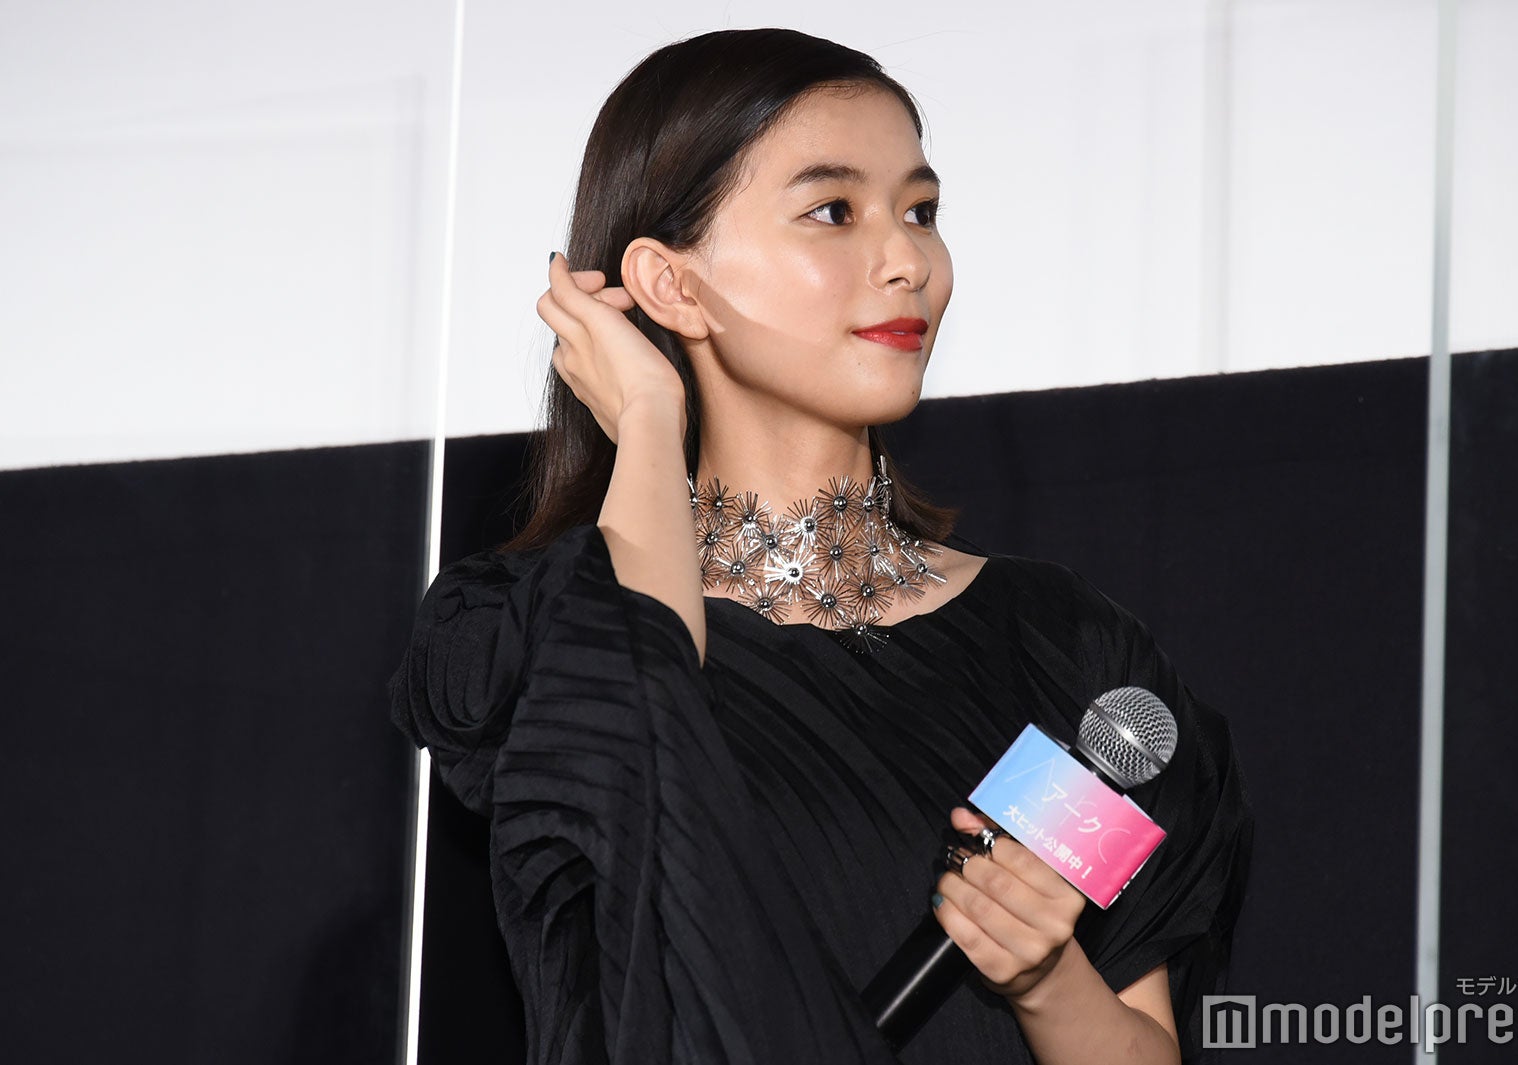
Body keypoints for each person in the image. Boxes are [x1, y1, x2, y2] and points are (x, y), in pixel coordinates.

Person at [389, 26, 1252, 1065]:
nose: (908, 262)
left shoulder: (1069, 654)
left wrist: (1044, 976)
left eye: (920, 212)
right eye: (834, 211)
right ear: (672, 285)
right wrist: (650, 418)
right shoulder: (521, 631)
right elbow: (631, 760)